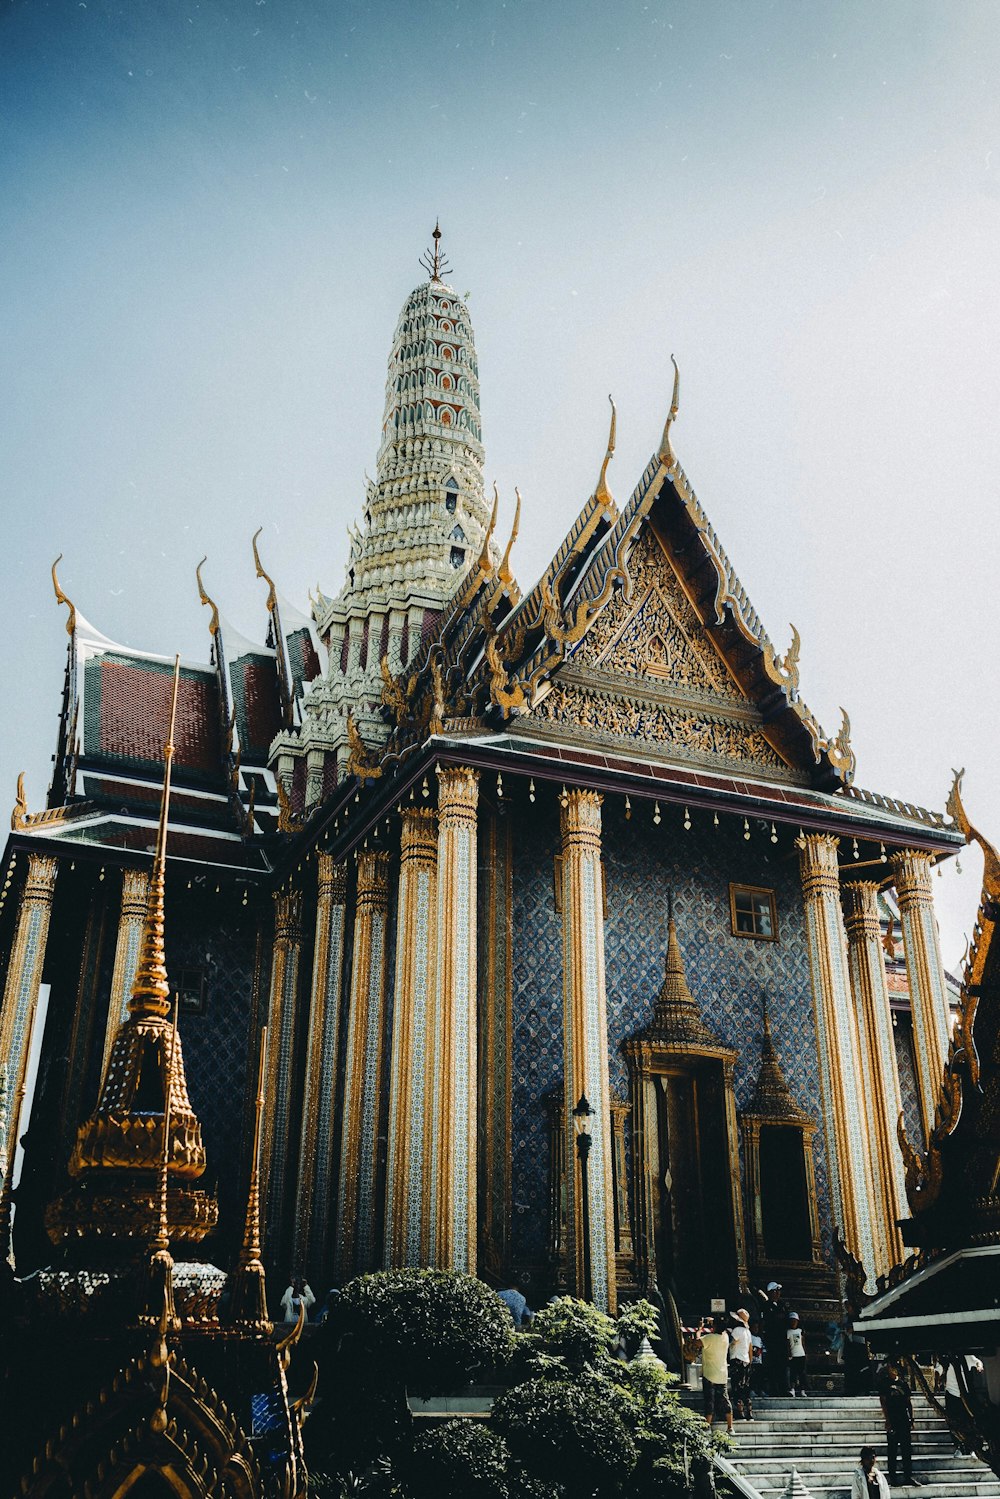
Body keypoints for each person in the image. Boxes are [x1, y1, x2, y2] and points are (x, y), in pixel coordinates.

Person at [878, 1362, 922, 1487]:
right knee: (892, 1450)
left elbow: (908, 1402)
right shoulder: (884, 1384)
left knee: (906, 1449)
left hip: (904, 1419)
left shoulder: (903, 1384)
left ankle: (908, 1476)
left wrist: (911, 1419)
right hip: (893, 1419)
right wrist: (887, 1420)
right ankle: (893, 1477)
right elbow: (883, 1402)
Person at [751, 1281, 790, 1395]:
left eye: (778, 1291)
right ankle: (773, 1389)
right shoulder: (765, 1306)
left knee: (782, 1365)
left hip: (782, 1340)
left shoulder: (782, 1305)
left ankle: (784, 1389)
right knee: (772, 1366)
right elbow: (764, 1322)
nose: (778, 1293)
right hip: (771, 1340)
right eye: (775, 1291)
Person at [698, 1315, 734, 1436]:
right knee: (725, 1400)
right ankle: (730, 1427)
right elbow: (719, 1328)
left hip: (709, 1374)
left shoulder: (708, 1338)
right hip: (722, 1374)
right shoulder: (725, 1337)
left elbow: (696, 1342)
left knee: (709, 1401)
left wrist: (699, 1329)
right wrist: (713, 1322)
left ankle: (707, 1426)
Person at [729, 1308, 754, 1421]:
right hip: (746, 1361)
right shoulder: (748, 1332)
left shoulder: (736, 1330)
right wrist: (750, 1361)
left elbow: (732, 1342)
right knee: (745, 1388)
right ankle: (749, 1412)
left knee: (736, 1387)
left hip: (737, 1360)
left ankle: (740, 1412)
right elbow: (750, 1349)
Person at [787, 1312, 808, 1397]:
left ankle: (802, 1390)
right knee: (793, 1373)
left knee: (802, 1373)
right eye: (792, 1321)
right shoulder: (788, 1332)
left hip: (801, 1354)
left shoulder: (800, 1331)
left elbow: (803, 1342)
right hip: (793, 1355)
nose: (793, 1323)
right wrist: (789, 1354)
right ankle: (793, 1389)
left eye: (795, 1321)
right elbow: (788, 1344)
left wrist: (805, 1353)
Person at [749, 1318, 766, 1396]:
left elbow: (762, 1348)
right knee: (752, 1376)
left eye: (757, 1327)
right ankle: (751, 1390)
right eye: (754, 1327)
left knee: (760, 1376)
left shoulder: (759, 1338)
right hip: (752, 1361)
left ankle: (760, 1390)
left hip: (759, 1361)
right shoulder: (749, 1337)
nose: (756, 1329)